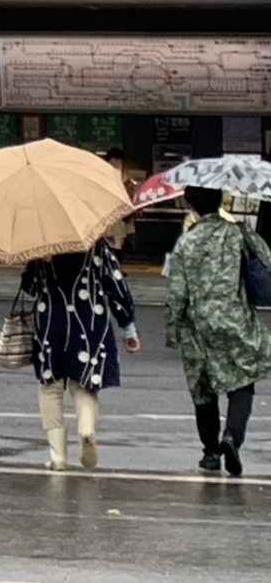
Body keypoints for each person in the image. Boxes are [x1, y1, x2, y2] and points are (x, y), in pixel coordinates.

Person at [166, 186, 271, 477]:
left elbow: (177, 293)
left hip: (197, 327)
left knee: (203, 391)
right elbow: (266, 261)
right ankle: (232, 436)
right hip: (236, 319)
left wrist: (173, 329)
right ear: (221, 200)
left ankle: (211, 452)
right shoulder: (237, 234)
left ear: (191, 205)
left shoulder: (186, 243)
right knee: (242, 382)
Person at [21, 238, 140, 471]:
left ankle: (58, 456)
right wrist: (128, 326)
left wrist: (30, 263)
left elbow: (31, 287)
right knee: (84, 385)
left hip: (51, 323)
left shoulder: (42, 243)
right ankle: (86, 429)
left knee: (50, 388)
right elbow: (115, 286)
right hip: (89, 322)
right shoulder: (96, 244)